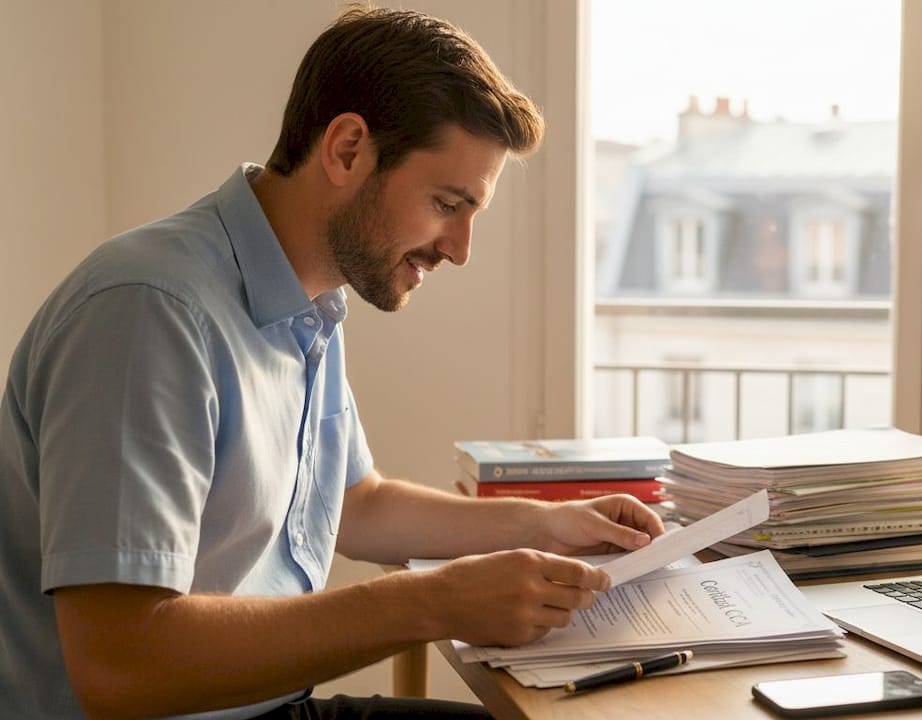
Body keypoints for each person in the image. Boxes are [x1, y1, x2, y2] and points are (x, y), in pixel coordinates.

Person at [0, 5, 665, 719]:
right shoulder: (150, 312)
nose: (460, 248)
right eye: (448, 203)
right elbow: (119, 663)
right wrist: (433, 601)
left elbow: (354, 503)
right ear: (347, 149)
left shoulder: (306, 301)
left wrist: (545, 525)